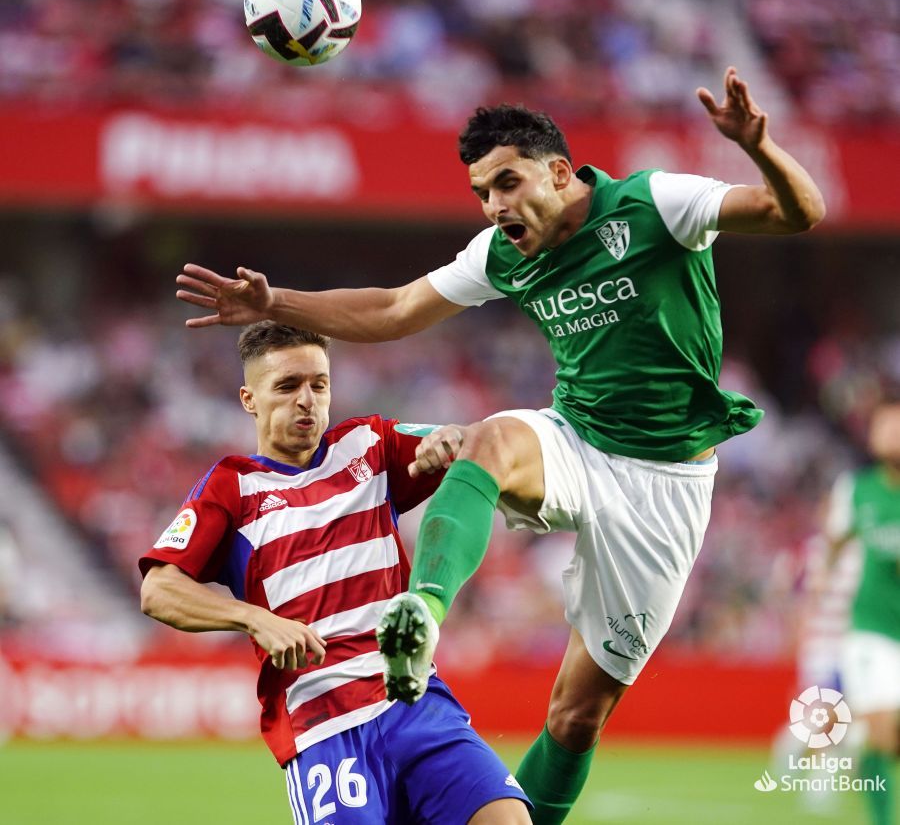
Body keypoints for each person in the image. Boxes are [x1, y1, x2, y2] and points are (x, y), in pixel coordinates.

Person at [175, 66, 826, 823]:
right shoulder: (501, 252)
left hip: (667, 484)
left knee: (576, 717)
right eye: (482, 192)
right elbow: (394, 309)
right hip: (577, 439)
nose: (494, 206)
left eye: (507, 183)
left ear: (559, 172)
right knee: (489, 440)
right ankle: (421, 613)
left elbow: (796, 213)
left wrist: (760, 147)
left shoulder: (656, 203)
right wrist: (275, 301)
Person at [139, 322, 531, 824]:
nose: (306, 400)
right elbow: (158, 589)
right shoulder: (231, 487)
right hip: (325, 725)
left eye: (318, 384)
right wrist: (255, 619)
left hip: (413, 700)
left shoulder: (370, 445)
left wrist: (449, 439)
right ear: (249, 399)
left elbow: (465, 442)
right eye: (287, 386)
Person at [820, 399, 900, 825]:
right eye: (883, 427)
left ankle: (854, 743)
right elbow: (834, 544)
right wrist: (820, 588)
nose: (890, 435)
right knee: (884, 730)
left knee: (886, 739)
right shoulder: (857, 490)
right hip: (871, 630)